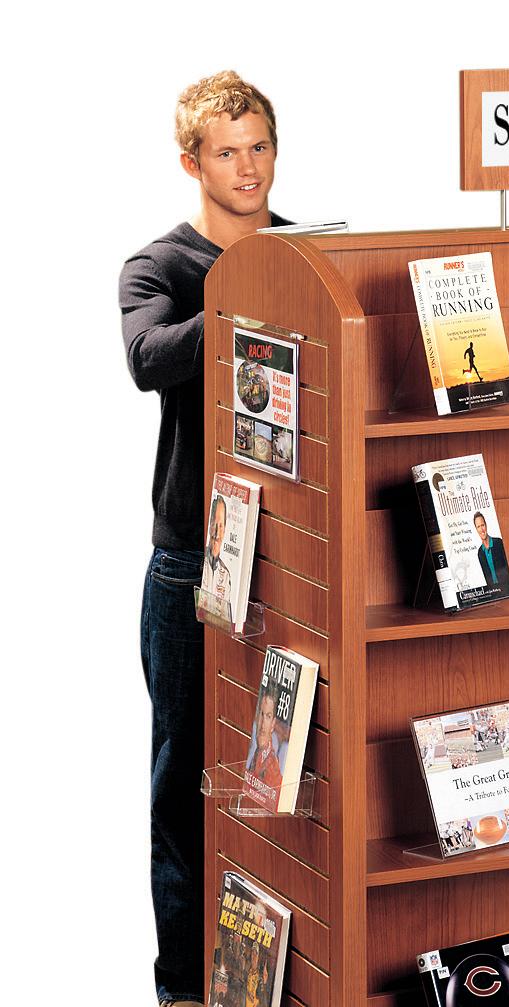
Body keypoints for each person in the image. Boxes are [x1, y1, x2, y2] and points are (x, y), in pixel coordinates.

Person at [119, 70, 292, 1007]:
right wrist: (246, 297)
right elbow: (148, 358)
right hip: (194, 558)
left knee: (290, 781)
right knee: (184, 781)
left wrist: (288, 276)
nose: (248, 168)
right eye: (227, 152)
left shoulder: (306, 254)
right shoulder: (157, 266)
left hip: (298, 555)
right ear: (192, 162)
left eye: (259, 147)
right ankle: (184, 987)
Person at [473, 511, 509, 592]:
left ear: (486, 525)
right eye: (478, 527)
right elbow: (486, 577)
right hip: (494, 592)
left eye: (482, 525)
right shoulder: (480, 553)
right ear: (476, 529)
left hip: (507, 589)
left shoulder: (499, 543)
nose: (481, 529)